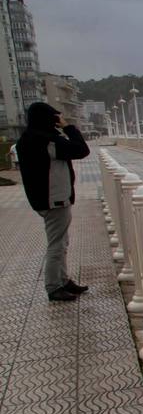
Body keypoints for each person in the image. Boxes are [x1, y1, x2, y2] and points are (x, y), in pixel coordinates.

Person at [17, 101, 91, 301]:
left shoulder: (27, 138)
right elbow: (82, 150)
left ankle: (63, 280)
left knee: (61, 241)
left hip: (45, 198)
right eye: (54, 117)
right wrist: (67, 127)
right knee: (57, 244)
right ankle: (53, 287)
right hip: (54, 198)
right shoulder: (46, 141)